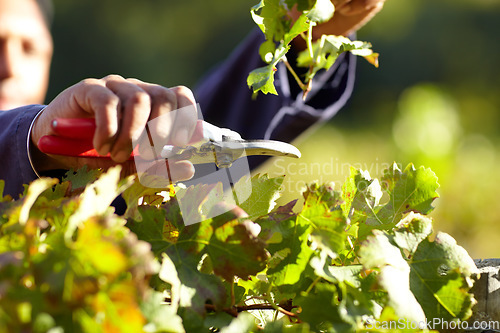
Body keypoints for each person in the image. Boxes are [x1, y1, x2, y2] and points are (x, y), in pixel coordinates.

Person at [0, 0, 385, 198]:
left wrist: (301, 39)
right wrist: (29, 141)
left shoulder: (94, 185)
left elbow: (198, 151)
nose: (11, 67)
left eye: (30, 48)